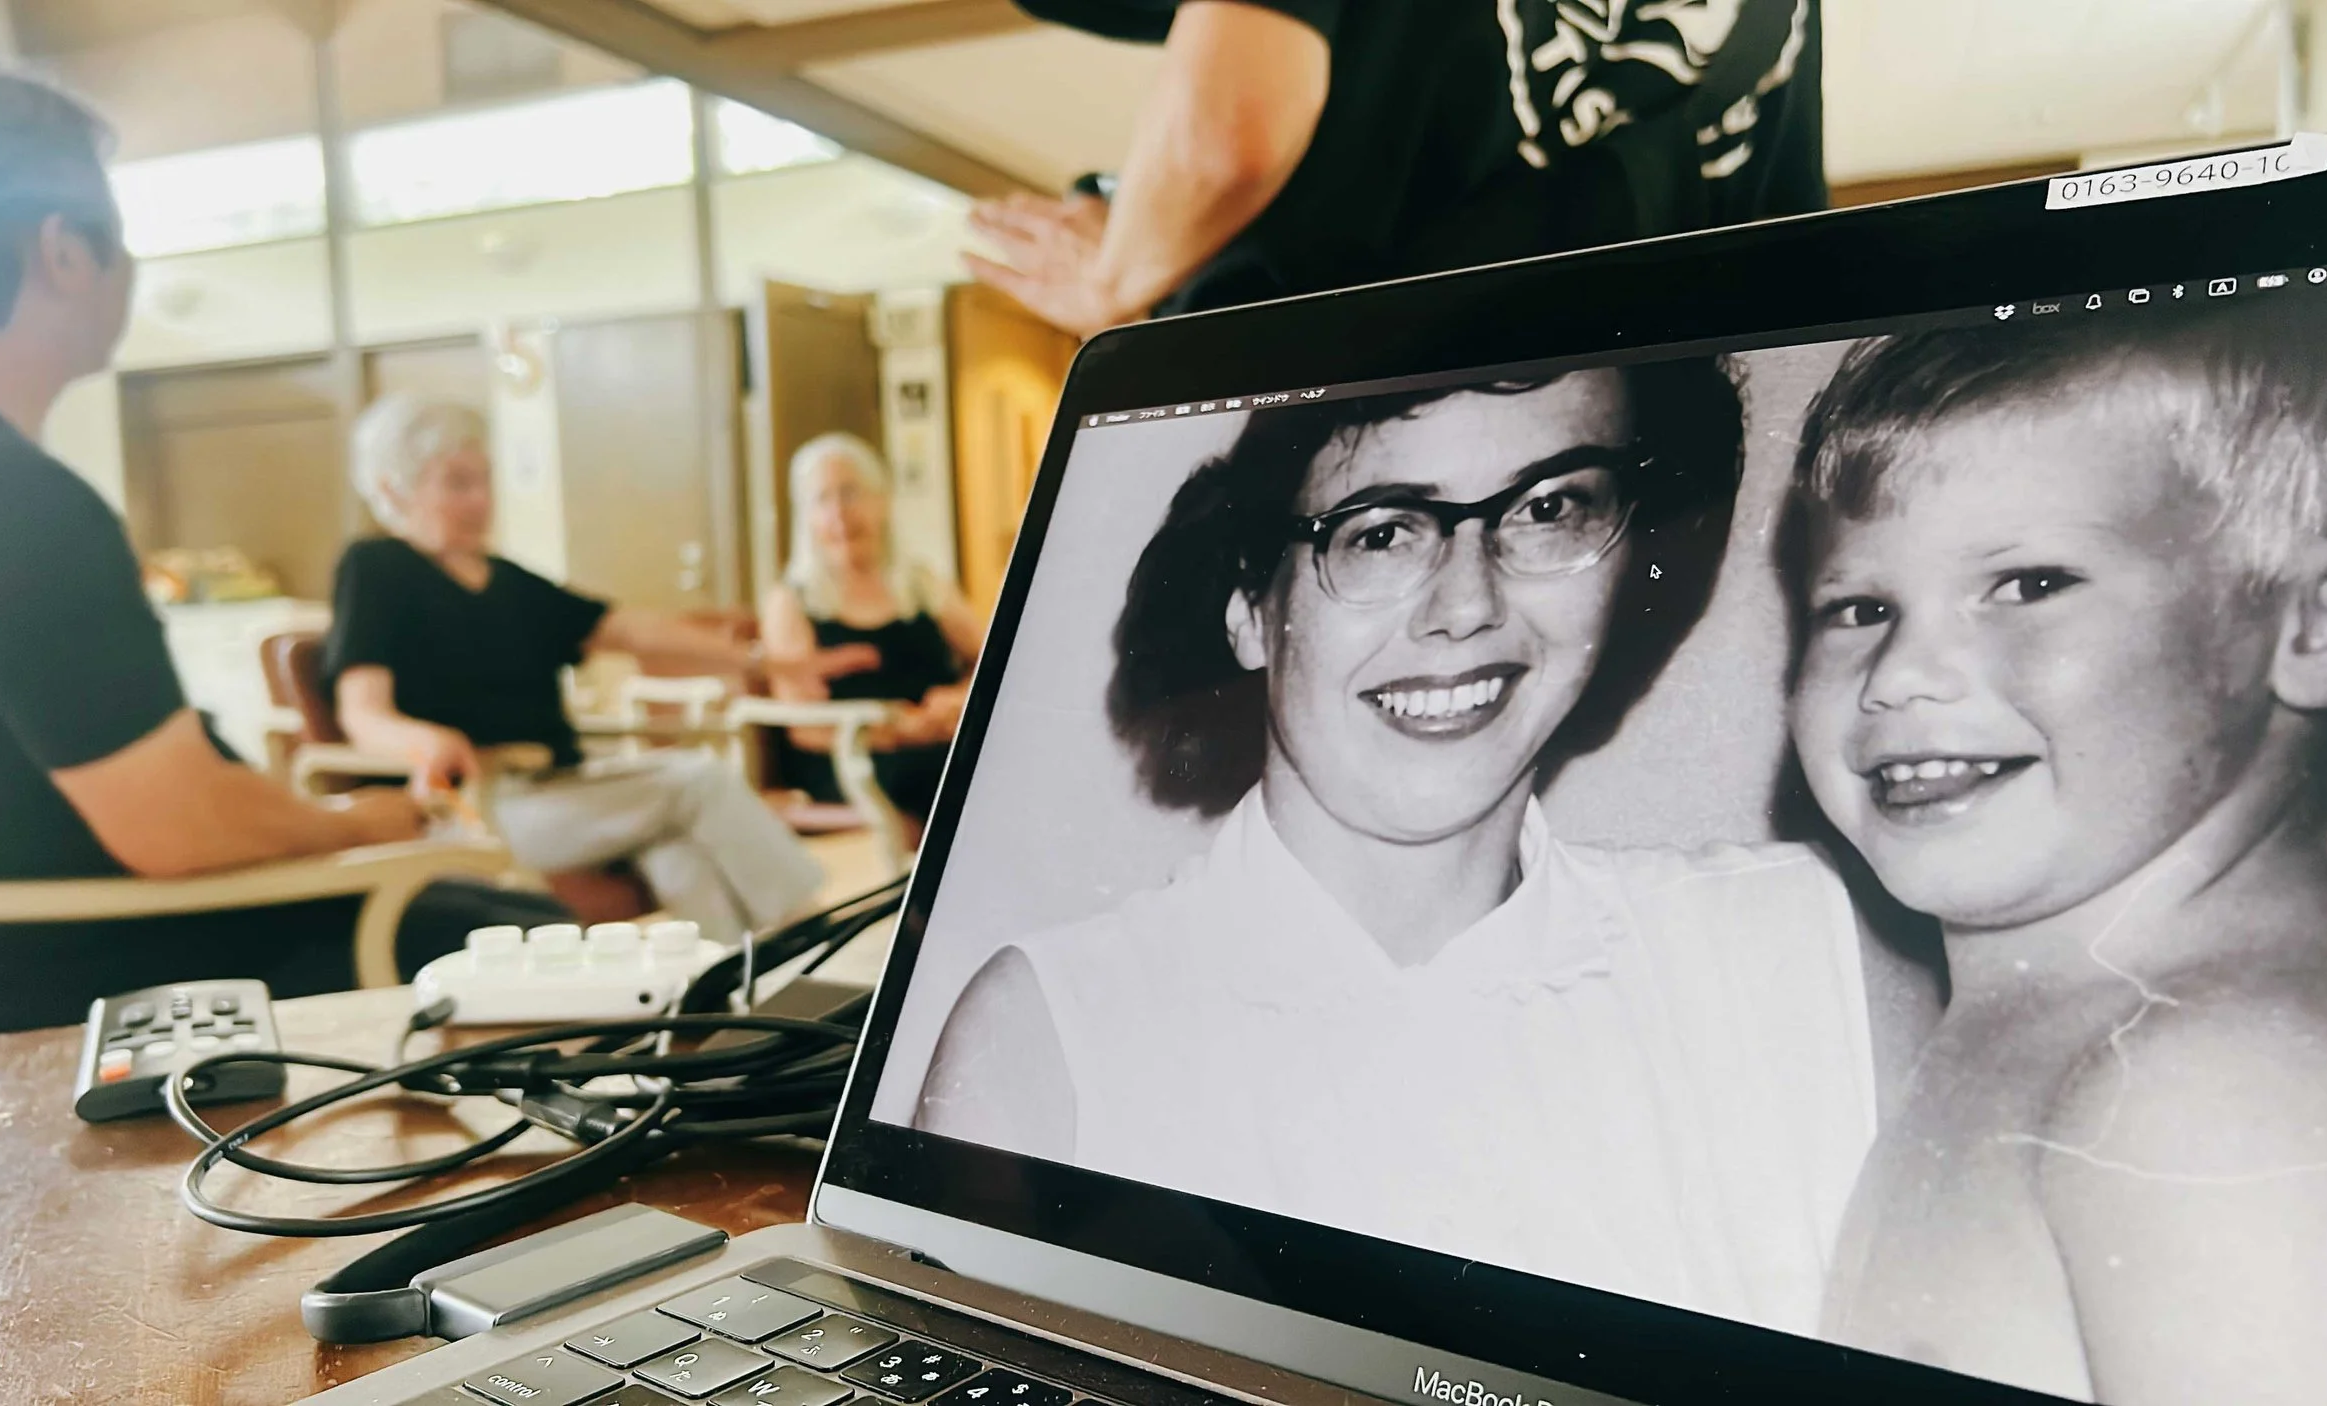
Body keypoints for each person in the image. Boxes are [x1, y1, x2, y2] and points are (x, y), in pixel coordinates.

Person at [919, 363, 1937, 1336]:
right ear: (1251, 608)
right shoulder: (1049, 1044)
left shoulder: (1812, 953)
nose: (1467, 606)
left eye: (1548, 509)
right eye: (1380, 531)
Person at [0, 60, 564, 1036]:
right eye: (118, 239)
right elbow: (179, 826)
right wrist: (354, 823)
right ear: (63, 251)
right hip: (136, 987)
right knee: (546, 952)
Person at [1787, 307, 2327, 1404]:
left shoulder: (2217, 1090)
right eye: (1859, 606)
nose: (1901, 673)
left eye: (2029, 584)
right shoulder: (2088, 1025)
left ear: (2320, 623)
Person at [328, 396, 874, 942]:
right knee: (700, 781)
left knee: (678, 857)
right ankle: (816, 934)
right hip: (481, 807)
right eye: (457, 483)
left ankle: (733, 985)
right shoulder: (375, 568)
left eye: (485, 480)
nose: (481, 500)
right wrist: (426, 742)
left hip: (562, 790)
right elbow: (362, 714)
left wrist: (768, 660)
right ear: (394, 488)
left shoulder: (508, 581)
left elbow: (634, 630)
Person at [970, 0, 1825, 335]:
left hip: (1341, 416)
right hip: (1658, 433)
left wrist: (1112, 282)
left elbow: (1228, 135)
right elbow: (1802, 255)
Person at [760, 433, 983, 819]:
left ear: (881, 501)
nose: (839, 513)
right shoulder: (791, 600)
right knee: (954, 774)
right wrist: (897, 730)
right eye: (822, 499)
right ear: (806, 517)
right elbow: (805, 728)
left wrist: (959, 697)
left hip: (937, 740)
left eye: (850, 493)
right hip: (853, 761)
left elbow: (995, 659)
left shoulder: (924, 584)